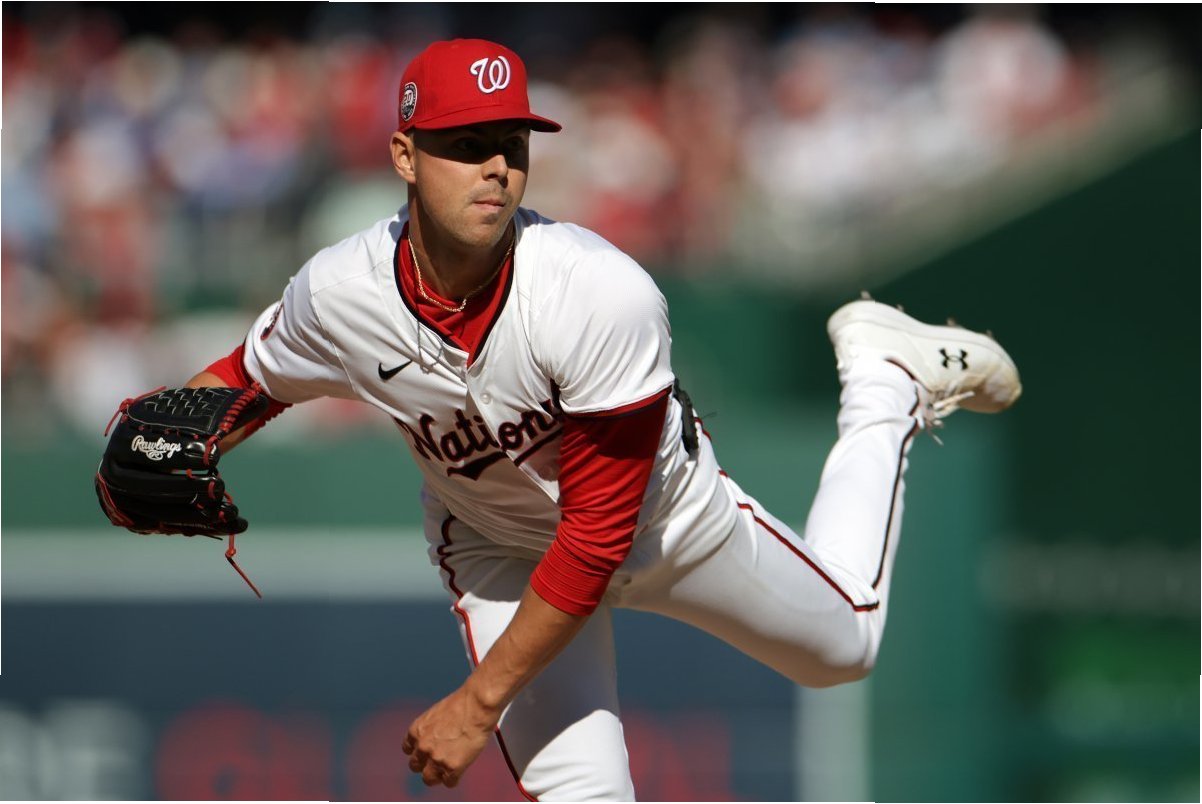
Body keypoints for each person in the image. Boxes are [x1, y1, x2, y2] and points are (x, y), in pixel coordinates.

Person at [158, 39, 1021, 800]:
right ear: (405, 156)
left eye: (511, 144)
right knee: (585, 792)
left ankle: (883, 383)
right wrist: (162, 438)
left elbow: (598, 534)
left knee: (846, 648)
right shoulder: (342, 291)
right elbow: (248, 379)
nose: (496, 167)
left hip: (667, 523)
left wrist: (478, 703)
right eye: (466, 145)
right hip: (499, 546)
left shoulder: (597, 292)